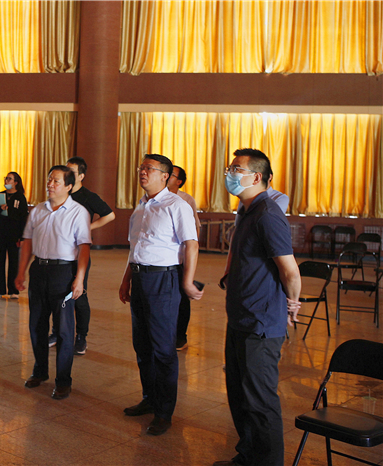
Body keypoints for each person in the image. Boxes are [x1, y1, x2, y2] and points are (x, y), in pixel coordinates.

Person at [213, 149, 301, 466]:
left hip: (260, 325)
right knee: (240, 396)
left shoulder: (267, 214)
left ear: (257, 177)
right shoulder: (247, 211)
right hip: (240, 317)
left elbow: (290, 271)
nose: (230, 173)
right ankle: (248, 456)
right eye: (230, 168)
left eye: (237, 169)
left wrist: (292, 304)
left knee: (260, 402)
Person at [118, 154, 203, 436]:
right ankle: (149, 398)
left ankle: (164, 412)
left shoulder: (177, 205)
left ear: (165, 176)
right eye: (141, 167)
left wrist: (187, 281)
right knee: (142, 345)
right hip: (140, 278)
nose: (142, 172)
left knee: (163, 349)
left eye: (149, 169)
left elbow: (191, 245)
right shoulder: (141, 206)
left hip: (164, 279)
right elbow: (135, 248)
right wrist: (126, 280)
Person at [15, 165, 91, 400]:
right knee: (37, 325)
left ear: (69, 186)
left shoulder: (78, 212)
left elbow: (84, 247)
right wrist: (21, 272)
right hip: (39, 270)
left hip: (64, 272)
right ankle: (40, 371)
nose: (50, 184)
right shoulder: (38, 210)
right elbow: (27, 242)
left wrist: (79, 279)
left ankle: (63, 380)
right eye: (49, 180)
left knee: (65, 330)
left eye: (56, 181)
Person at [48, 156, 115, 355]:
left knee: (79, 296)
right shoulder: (60, 193)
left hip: (78, 253)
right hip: (57, 252)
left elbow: (110, 215)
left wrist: (87, 228)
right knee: (58, 296)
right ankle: (56, 332)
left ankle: (81, 336)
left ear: (82, 176)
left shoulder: (88, 197)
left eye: (72, 172)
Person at [166, 165, 201, 351]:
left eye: (171, 175)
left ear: (179, 181)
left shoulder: (186, 200)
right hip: (161, 260)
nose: (167, 176)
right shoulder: (151, 198)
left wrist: (190, 256)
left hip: (180, 258)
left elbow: (195, 229)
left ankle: (181, 337)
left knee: (181, 299)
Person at [0, 172, 28, 299]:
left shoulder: (20, 197)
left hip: (14, 233)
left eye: (9, 179)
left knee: (14, 262)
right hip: (0, 232)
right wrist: (0, 208)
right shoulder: (0, 195)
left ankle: (13, 290)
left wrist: (22, 237)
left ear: (16, 182)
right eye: (6, 178)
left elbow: (24, 218)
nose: (6, 180)